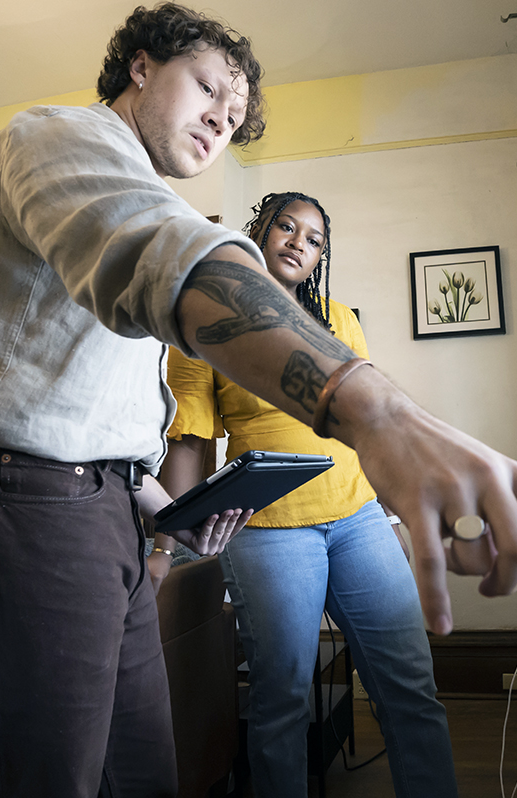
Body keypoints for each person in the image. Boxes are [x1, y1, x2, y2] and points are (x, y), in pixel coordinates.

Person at [0, 3, 517, 796]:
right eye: (207, 88)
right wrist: (379, 412)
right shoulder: (60, 138)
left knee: (142, 777)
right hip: (11, 503)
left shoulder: (173, 229)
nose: (220, 121)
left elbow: (90, 417)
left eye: (235, 116)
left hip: (102, 512)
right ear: (141, 66)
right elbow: (164, 257)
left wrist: (162, 510)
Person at [154, 191, 457, 796]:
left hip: (358, 518)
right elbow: (188, 441)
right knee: (282, 698)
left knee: (409, 686)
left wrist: (395, 514)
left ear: (320, 257)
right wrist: (168, 544)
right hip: (265, 531)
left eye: (314, 239)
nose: (299, 242)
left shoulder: (341, 321)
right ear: (258, 233)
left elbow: (374, 426)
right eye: (286, 227)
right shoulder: (204, 323)